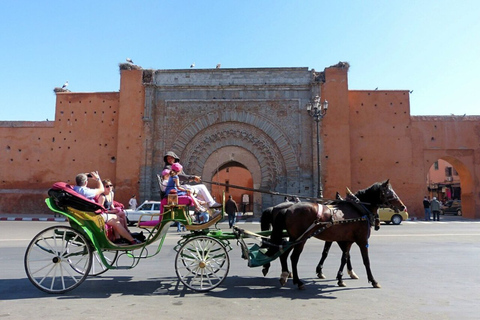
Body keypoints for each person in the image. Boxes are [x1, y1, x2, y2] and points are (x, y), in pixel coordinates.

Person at [73, 172, 141, 245]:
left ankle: (121, 238)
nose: (109, 187)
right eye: (107, 186)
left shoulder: (75, 189)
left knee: (118, 218)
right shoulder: (85, 191)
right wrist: (97, 179)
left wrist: (84, 176)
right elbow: (101, 189)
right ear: (86, 182)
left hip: (87, 214)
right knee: (116, 218)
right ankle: (131, 240)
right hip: (93, 215)